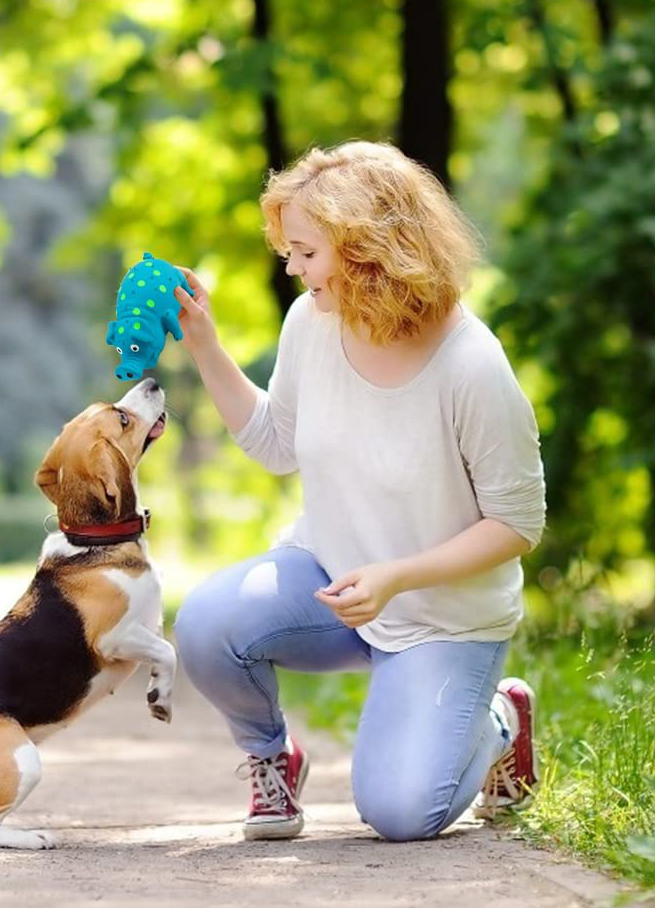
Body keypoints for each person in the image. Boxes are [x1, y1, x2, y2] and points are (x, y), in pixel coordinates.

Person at [170, 140, 546, 842]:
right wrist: (203, 344)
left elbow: (517, 523)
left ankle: (498, 717)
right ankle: (270, 760)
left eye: (305, 251)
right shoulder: (311, 323)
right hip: (330, 577)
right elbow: (276, 443)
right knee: (205, 625)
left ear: (366, 248)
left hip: (442, 614)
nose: (290, 266)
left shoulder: (471, 366)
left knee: (401, 813)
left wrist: (397, 576)